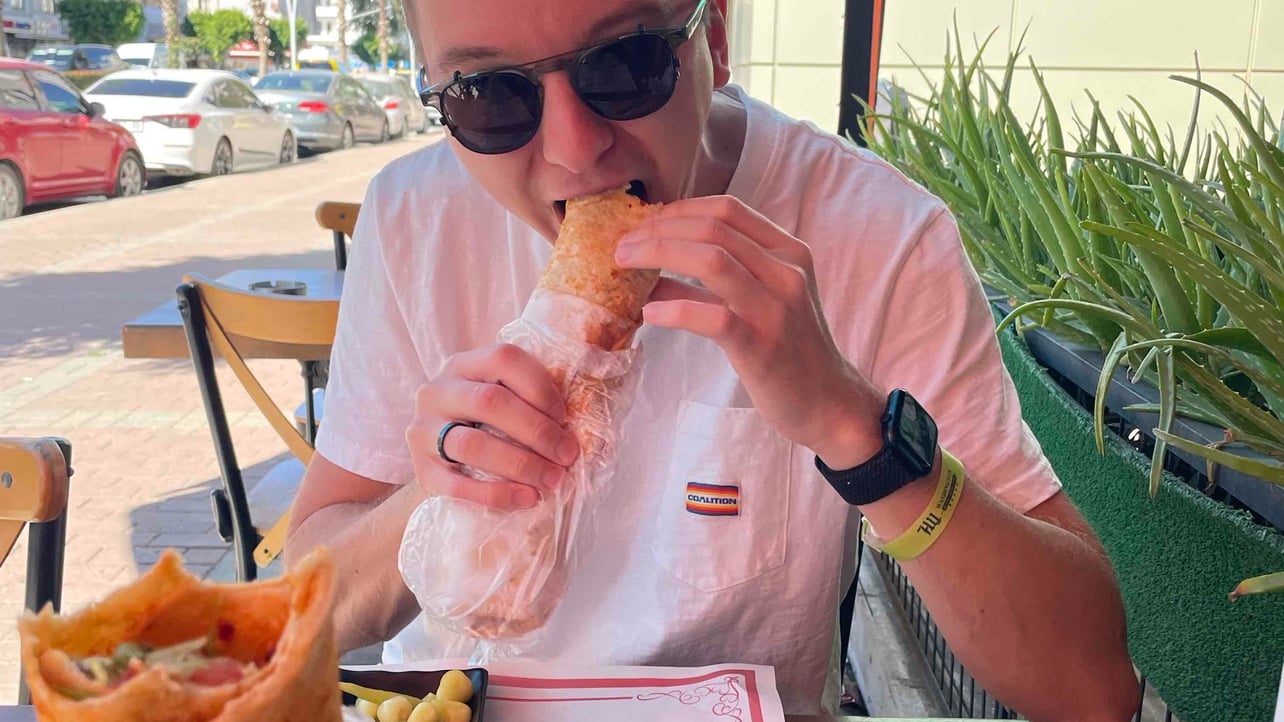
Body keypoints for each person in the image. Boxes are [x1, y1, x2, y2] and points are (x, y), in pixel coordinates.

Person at [285, 0, 1141, 717]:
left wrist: (854, 428)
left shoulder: (880, 235)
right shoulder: (414, 216)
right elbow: (310, 611)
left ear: (715, 40)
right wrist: (441, 489)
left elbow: (1089, 689)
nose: (576, 148)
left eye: (625, 62)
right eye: (488, 95)